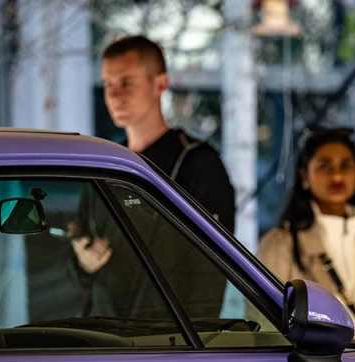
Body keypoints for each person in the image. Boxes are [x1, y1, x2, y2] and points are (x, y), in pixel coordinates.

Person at [71, 36, 235, 318]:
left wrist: (196, 338)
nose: (114, 96)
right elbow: (77, 248)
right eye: (108, 84)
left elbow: (214, 269)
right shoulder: (103, 163)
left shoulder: (197, 164)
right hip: (102, 333)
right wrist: (82, 263)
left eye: (127, 83)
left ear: (160, 84)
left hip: (169, 337)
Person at [258, 126, 355, 349]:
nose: (337, 175)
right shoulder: (279, 244)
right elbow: (268, 327)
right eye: (324, 166)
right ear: (305, 176)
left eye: (346, 166)